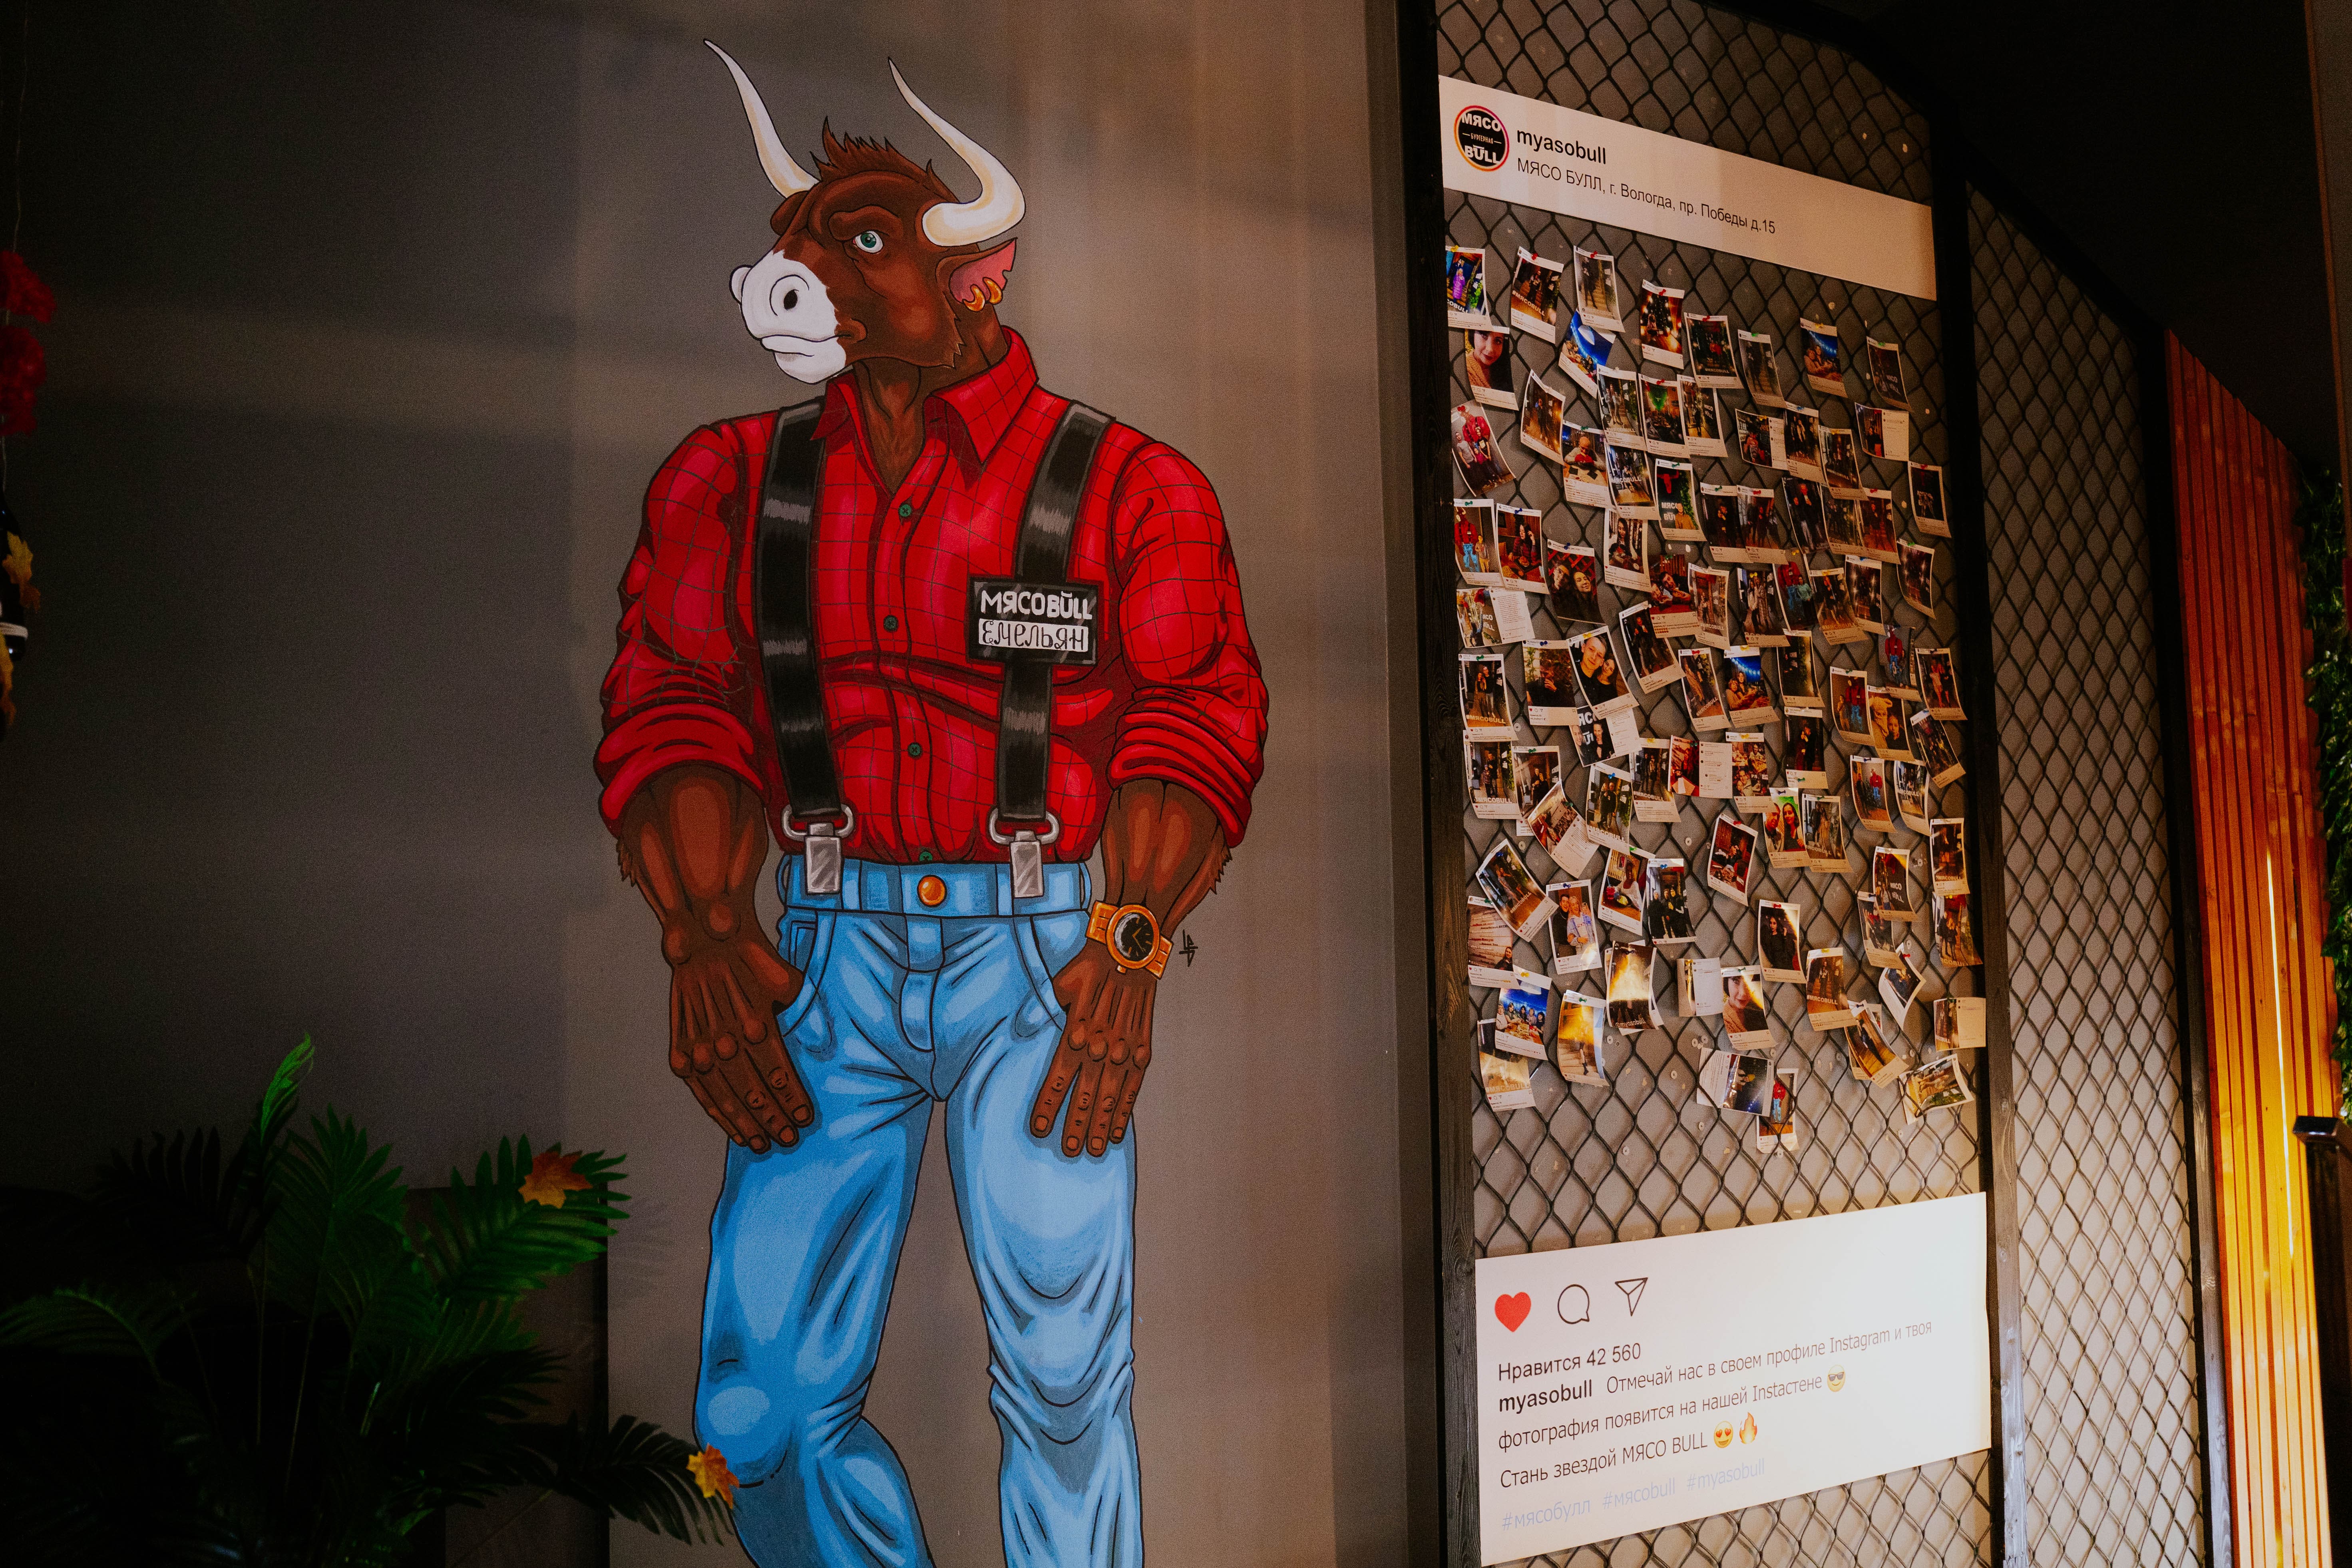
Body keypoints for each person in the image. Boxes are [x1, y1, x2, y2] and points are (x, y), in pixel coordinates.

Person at [600, 59, 1267, 1564]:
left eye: (861, 247)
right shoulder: (729, 479)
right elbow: (674, 697)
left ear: (979, 277)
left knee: (1066, 1393)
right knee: (756, 1416)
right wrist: (703, 931)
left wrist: (1131, 947)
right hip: (820, 958)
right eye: (797, 246)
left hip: (1042, 957)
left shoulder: (1133, 487)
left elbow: (1195, 714)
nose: (804, 277)